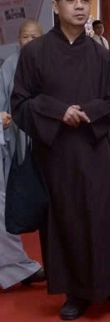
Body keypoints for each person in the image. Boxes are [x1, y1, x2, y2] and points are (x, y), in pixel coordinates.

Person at [11, 0, 110, 320]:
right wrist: (58, 111)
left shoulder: (99, 53)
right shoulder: (35, 53)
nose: (79, 6)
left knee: (106, 217)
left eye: (84, 0)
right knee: (67, 221)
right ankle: (75, 292)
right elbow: (20, 103)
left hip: (94, 150)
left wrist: (87, 113)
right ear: (55, 6)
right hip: (56, 153)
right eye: (70, 0)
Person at [0, 20, 45, 291]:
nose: (30, 41)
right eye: (25, 37)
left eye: (34, 36)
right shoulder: (9, 64)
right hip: (16, 134)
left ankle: (19, 268)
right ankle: (19, 268)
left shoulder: (50, 60)